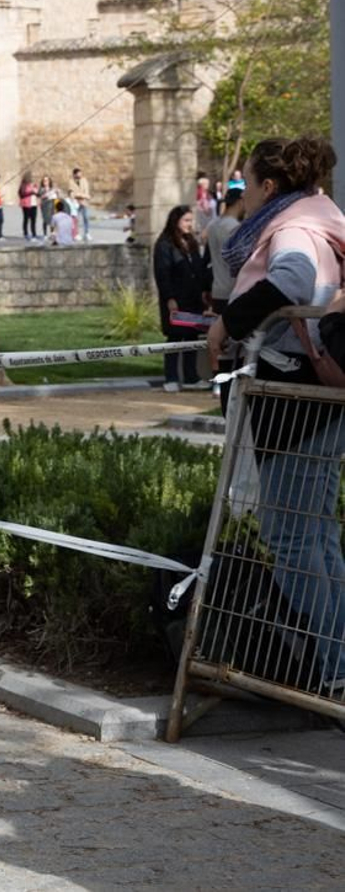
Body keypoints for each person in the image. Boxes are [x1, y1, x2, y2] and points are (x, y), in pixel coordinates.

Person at [207, 137, 345, 694]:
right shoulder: (320, 217)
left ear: (269, 188)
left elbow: (290, 281)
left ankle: (335, 666)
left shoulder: (291, 228)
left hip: (295, 400)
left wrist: (226, 324)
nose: (238, 195)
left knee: (290, 539)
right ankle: (339, 660)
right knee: (315, 536)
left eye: (243, 183)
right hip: (315, 395)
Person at [153, 204, 210, 392]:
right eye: (186, 220)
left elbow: (199, 268)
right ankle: (171, 377)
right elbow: (162, 273)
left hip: (193, 299)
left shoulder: (191, 242)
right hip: (176, 299)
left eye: (190, 220)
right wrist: (169, 297)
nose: (189, 224)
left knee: (192, 336)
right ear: (175, 221)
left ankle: (190, 377)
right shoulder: (164, 245)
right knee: (175, 337)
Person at [205, 182, 245, 315]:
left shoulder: (213, 226)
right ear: (240, 202)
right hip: (233, 290)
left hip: (218, 289)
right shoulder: (235, 228)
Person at [69, 167, 92, 242]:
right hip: (76, 203)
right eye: (79, 173)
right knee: (76, 219)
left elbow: (86, 191)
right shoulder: (71, 181)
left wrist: (83, 196)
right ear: (75, 174)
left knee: (86, 218)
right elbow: (71, 193)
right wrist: (80, 196)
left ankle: (86, 233)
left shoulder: (84, 180)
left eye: (81, 173)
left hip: (84, 202)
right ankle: (76, 234)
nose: (80, 174)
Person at [18, 172, 38, 241]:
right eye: (31, 177)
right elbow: (21, 194)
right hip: (26, 204)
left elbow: (37, 194)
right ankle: (26, 233)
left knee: (33, 220)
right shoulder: (24, 185)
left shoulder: (34, 185)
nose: (32, 178)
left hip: (34, 204)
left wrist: (36, 192)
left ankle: (34, 234)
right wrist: (31, 193)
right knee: (26, 219)